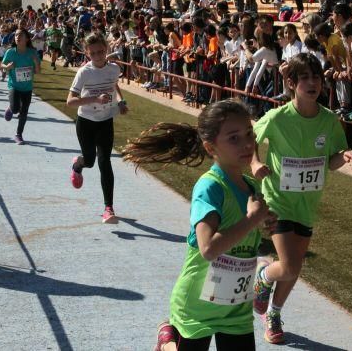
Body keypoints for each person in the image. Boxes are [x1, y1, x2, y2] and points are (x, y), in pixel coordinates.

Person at [123, 100, 276, 351]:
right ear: (210, 147)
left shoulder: (251, 187)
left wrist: (266, 222)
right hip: (197, 309)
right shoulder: (210, 187)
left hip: (235, 308)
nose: (247, 143)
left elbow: (249, 230)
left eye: (249, 134)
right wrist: (251, 220)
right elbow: (208, 249)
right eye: (234, 138)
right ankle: (168, 343)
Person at [250, 53, 352, 345]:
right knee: (289, 266)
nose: (312, 83)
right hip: (278, 199)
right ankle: (263, 276)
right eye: (305, 78)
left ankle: (274, 313)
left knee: (294, 265)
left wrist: (345, 156)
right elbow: (251, 141)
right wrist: (254, 164)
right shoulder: (277, 117)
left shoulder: (329, 120)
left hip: (308, 203)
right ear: (291, 83)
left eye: (317, 78)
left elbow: (331, 161)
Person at [67, 33, 128, 224]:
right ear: (87, 53)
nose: (98, 56)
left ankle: (108, 208)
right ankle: (78, 164)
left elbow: (114, 85)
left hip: (105, 121)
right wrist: (94, 99)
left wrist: (120, 101)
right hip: (85, 122)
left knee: (105, 162)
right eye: (93, 53)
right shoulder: (84, 72)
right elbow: (70, 101)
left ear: (106, 49)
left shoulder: (114, 69)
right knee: (91, 161)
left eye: (101, 52)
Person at [0, 28, 41, 144]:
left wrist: (36, 62)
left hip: (27, 88)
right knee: (16, 108)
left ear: (27, 39)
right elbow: (2, 64)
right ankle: (11, 108)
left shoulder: (32, 53)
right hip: (14, 85)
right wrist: (7, 67)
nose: (17, 37)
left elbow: (38, 71)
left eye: (21, 35)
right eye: (16, 35)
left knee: (24, 112)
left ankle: (19, 135)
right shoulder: (11, 52)